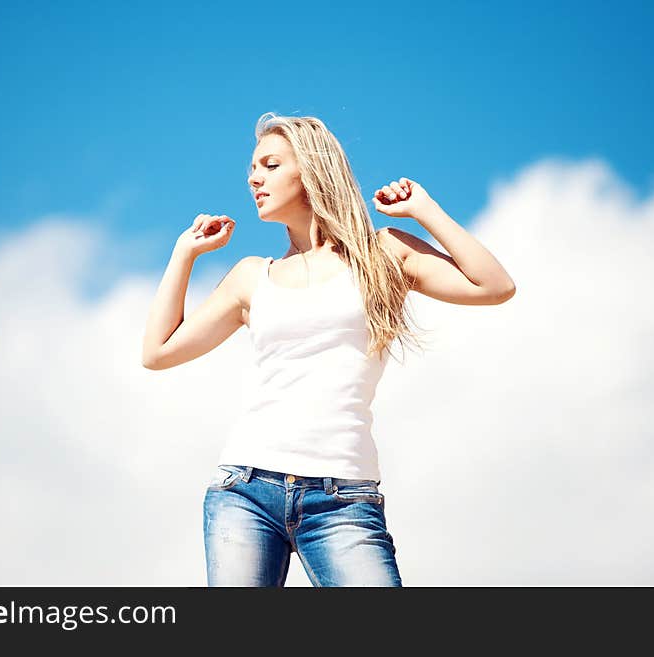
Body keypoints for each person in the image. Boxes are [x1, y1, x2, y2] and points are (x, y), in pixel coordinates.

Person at [141, 112, 516, 586]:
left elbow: (495, 286)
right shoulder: (253, 277)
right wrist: (184, 253)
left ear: (313, 169)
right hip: (246, 491)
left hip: (344, 498)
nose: (255, 178)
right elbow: (157, 351)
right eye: (252, 170)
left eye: (271, 165)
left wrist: (424, 210)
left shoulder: (385, 254)